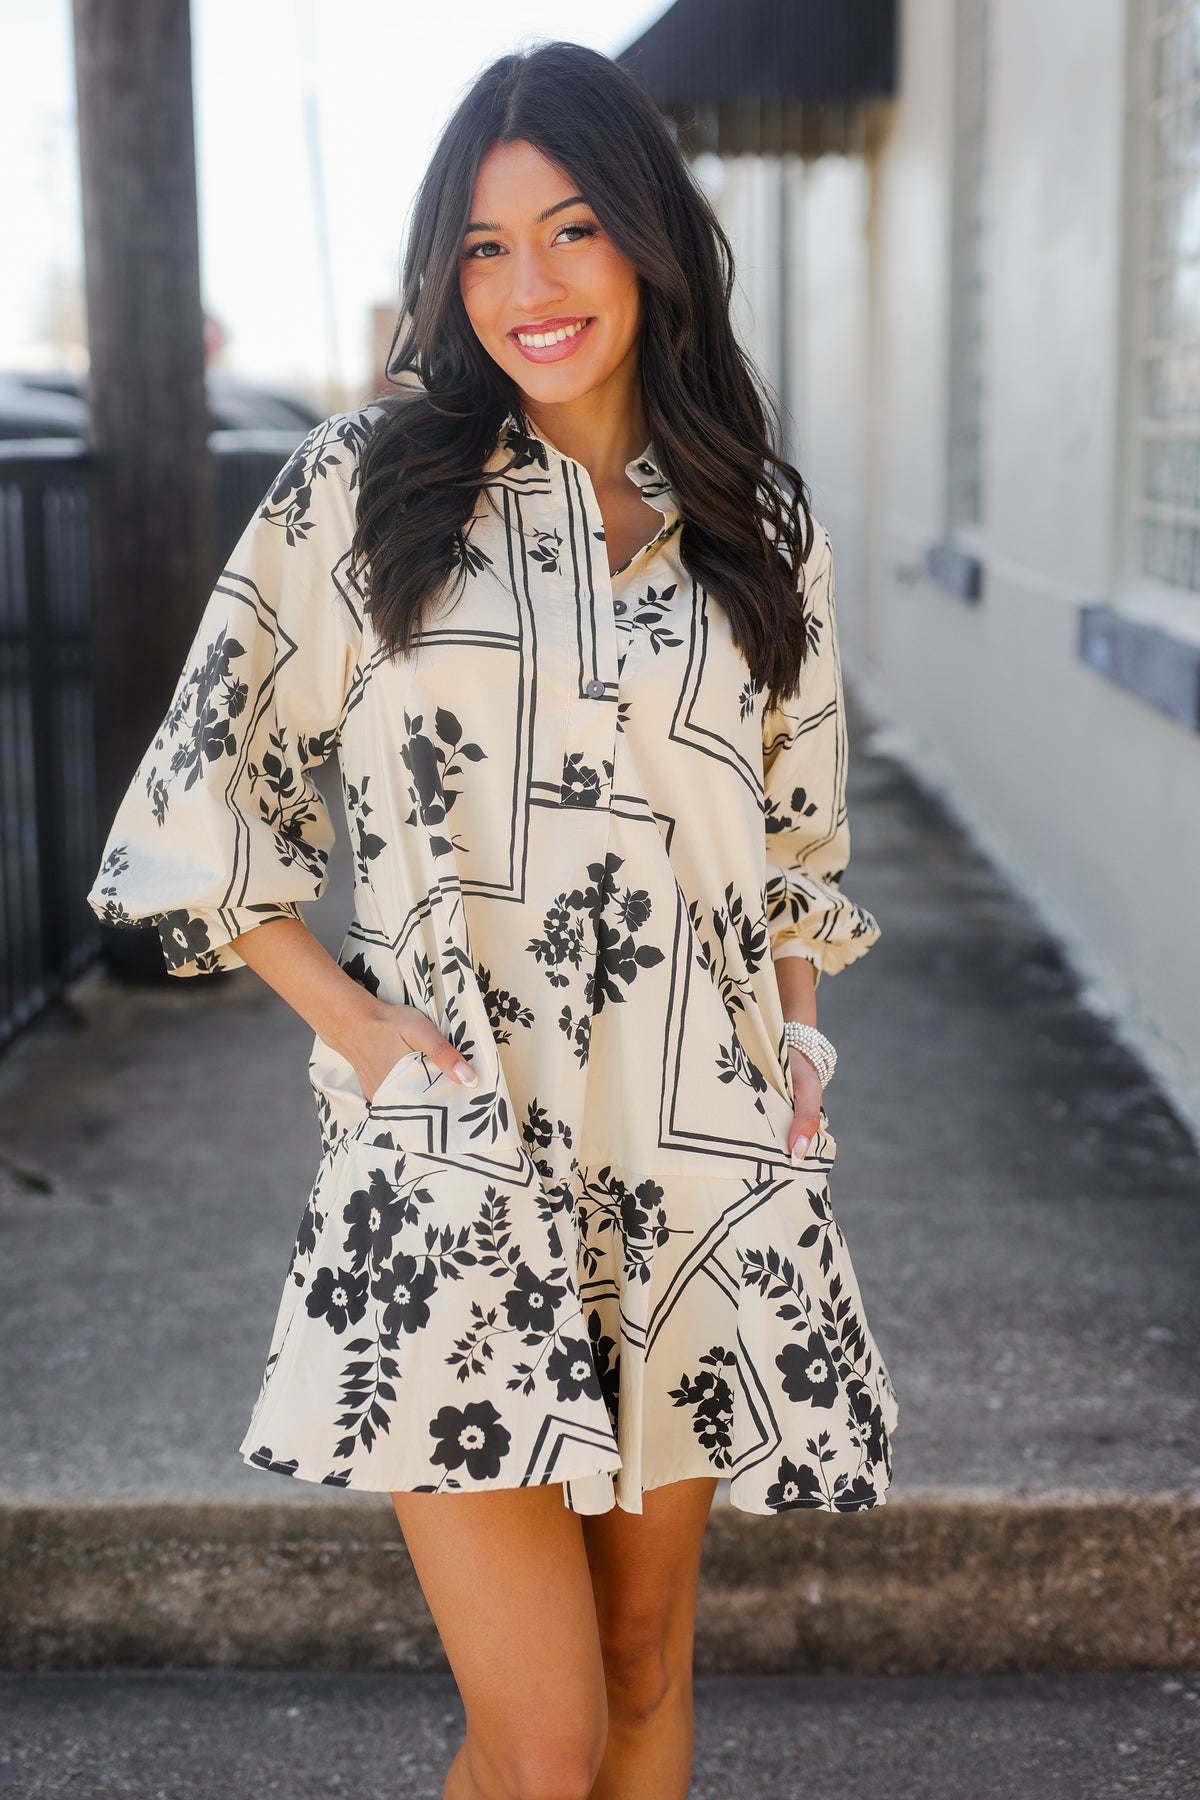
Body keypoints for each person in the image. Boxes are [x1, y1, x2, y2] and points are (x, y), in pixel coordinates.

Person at [87, 39, 899, 1800]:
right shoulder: (367, 487)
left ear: (655, 246)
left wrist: (801, 1049)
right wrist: (368, 1036)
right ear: (445, 274)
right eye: (482, 245)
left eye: (573, 231)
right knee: (537, 1744)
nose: (528, 286)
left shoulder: (757, 521)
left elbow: (795, 843)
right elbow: (195, 808)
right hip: (452, 1158)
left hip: (699, 1156)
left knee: (640, 1664)